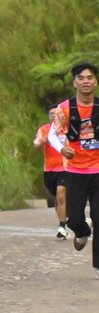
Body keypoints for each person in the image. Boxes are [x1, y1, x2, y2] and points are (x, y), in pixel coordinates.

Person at [48, 62, 99, 278]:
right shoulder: (65, 109)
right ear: (74, 82)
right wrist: (62, 149)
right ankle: (81, 231)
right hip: (75, 171)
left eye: (90, 77)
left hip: (98, 171)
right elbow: (52, 134)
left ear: (95, 81)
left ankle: (98, 266)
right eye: (81, 78)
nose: (86, 81)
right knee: (75, 218)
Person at [33, 106, 68, 239]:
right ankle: (65, 221)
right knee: (57, 200)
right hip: (49, 169)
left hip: (65, 168)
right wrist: (41, 142)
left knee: (61, 195)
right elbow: (35, 146)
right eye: (51, 113)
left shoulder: (67, 129)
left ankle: (62, 226)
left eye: (55, 113)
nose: (53, 115)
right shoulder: (44, 130)